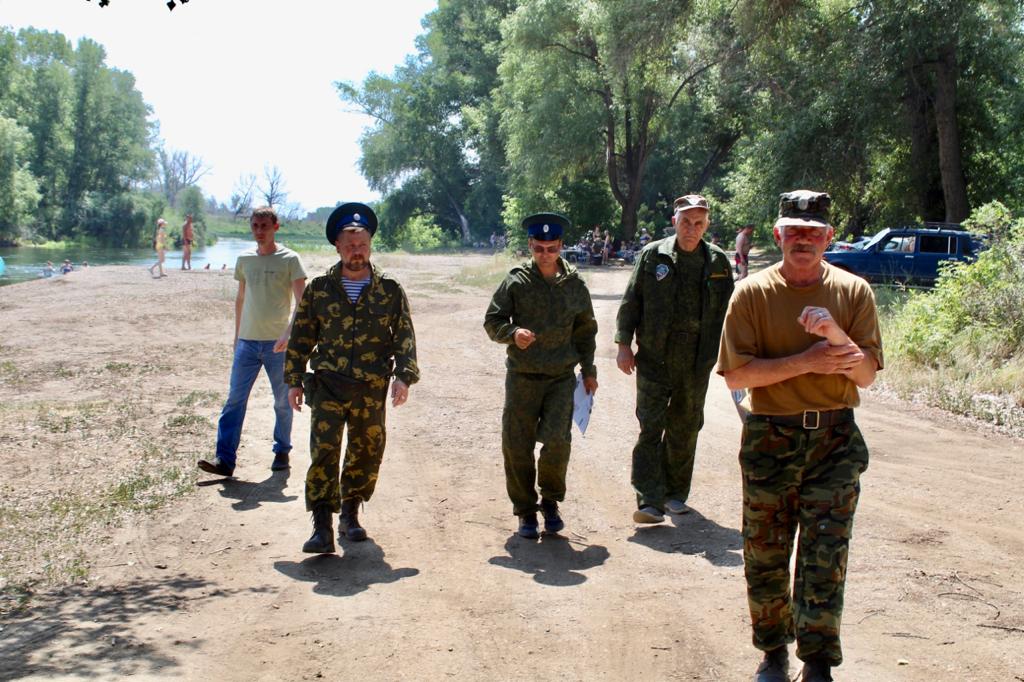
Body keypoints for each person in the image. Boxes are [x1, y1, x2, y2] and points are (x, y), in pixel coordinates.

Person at [717, 190, 882, 682]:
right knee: (765, 552)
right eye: (794, 231)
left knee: (825, 554)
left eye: (813, 232)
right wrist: (805, 363)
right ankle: (772, 653)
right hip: (771, 438)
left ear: (829, 237)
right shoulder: (752, 293)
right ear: (778, 235)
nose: (803, 240)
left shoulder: (853, 293)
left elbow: (867, 375)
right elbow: (736, 377)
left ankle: (817, 662)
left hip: (835, 439)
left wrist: (836, 337)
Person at [287, 202, 419, 554]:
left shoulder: (389, 290)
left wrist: (403, 377)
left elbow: (404, 335)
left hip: (370, 388)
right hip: (328, 385)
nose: (356, 252)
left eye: (361, 245)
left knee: (365, 452)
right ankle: (321, 527)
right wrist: (294, 380)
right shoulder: (319, 289)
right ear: (338, 247)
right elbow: (301, 337)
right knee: (324, 454)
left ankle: (349, 514)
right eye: (349, 246)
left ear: (371, 245)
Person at [615, 194, 734, 523]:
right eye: (686, 222)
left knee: (685, 428)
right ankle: (649, 500)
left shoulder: (719, 262)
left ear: (707, 225)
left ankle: (675, 494)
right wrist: (624, 344)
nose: (691, 229)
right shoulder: (654, 256)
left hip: (697, 362)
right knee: (651, 428)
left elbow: (731, 314)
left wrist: (732, 356)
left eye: (698, 223)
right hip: (655, 359)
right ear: (674, 221)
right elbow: (631, 301)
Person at [484, 212, 598, 539]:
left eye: (552, 248)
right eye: (539, 248)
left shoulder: (575, 286)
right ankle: (525, 511)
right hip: (522, 377)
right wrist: (512, 332)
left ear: (561, 246)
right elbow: (493, 321)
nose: (545, 254)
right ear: (530, 246)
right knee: (517, 445)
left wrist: (588, 371)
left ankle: (550, 502)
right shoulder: (516, 282)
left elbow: (585, 332)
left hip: (561, 378)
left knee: (558, 441)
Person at [198, 206, 307, 478]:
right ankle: (225, 460)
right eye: (255, 226)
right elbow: (241, 299)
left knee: (282, 402)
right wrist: (237, 337)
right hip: (247, 342)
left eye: (264, 226)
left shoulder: (290, 259)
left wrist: (288, 334)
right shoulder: (245, 259)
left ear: (276, 227)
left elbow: (303, 303)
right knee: (235, 400)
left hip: (277, 345)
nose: (259, 231)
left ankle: (282, 450)